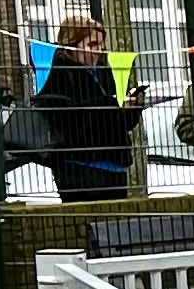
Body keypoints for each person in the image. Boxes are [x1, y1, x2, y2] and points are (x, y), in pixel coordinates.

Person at [35, 16, 136, 204]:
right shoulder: (59, 76)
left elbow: (121, 124)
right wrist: (109, 107)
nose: (98, 52)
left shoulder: (104, 71)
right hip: (80, 169)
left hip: (115, 166)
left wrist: (131, 109)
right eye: (92, 45)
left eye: (101, 45)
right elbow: (70, 122)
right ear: (71, 45)